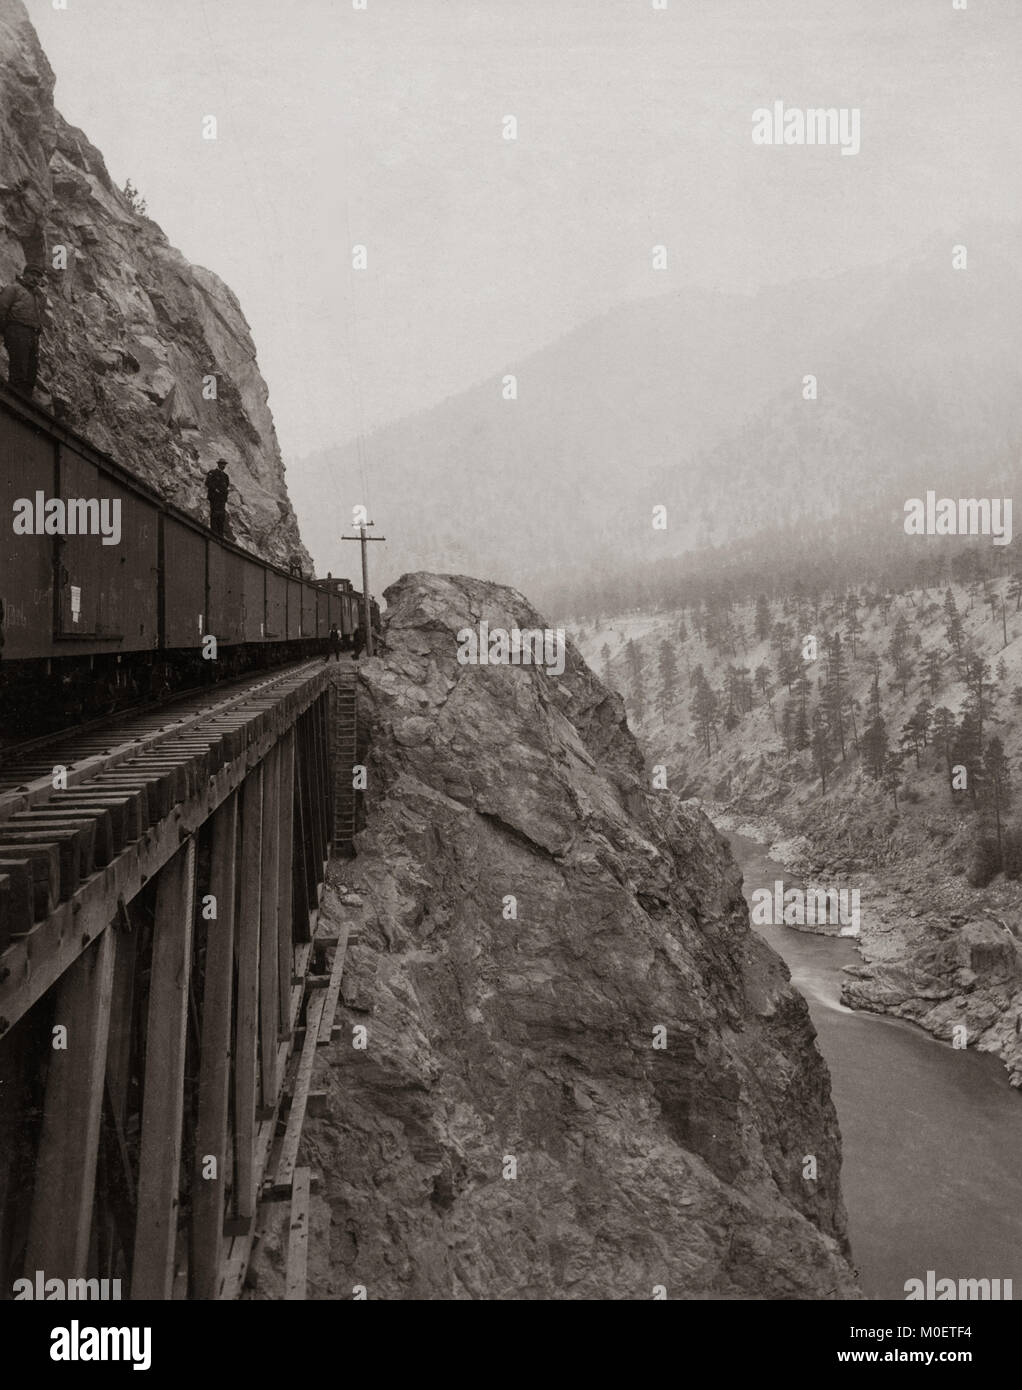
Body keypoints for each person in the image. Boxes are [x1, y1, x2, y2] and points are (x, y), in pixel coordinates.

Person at [0, 264, 47, 396]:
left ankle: (23, 407)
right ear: (24, 274)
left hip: (33, 336)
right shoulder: (13, 289)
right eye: (32, 274)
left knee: (30, 375)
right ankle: (12, 402)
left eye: (38, 277)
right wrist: (7, 330)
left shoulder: (37, 297)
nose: (35, 279)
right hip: (17, 330)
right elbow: (1, 309)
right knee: (19, 370)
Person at [205, 458, 230, 538]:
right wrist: (215, 489)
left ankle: (220, 534)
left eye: (224, 464)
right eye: (222, 464)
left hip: (222, 500)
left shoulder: (225, 476)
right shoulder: (213, 473)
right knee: (215, 515)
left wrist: (224, 496)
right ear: (218, 464)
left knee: (221, 516)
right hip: (215, 498)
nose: (223, 465)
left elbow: (226, 486)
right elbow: (208, 483)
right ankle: (214, 533)